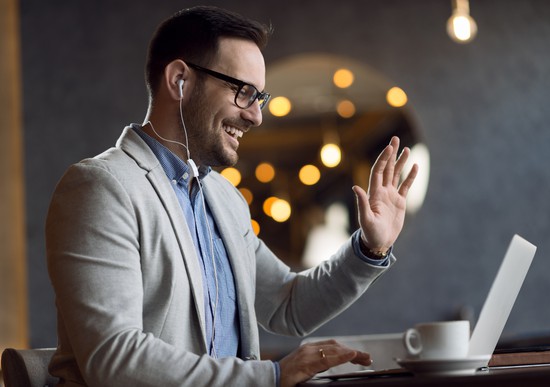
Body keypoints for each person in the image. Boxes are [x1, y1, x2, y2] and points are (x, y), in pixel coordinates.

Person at [45, 6, 418, 387]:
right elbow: (115, 358)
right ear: (179, 80)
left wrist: (370, 249)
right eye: (243, 92)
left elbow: (287, 306)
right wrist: (271, 376)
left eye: (260, 97)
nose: (256, 116)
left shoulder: (224, 199)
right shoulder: (101, 187)